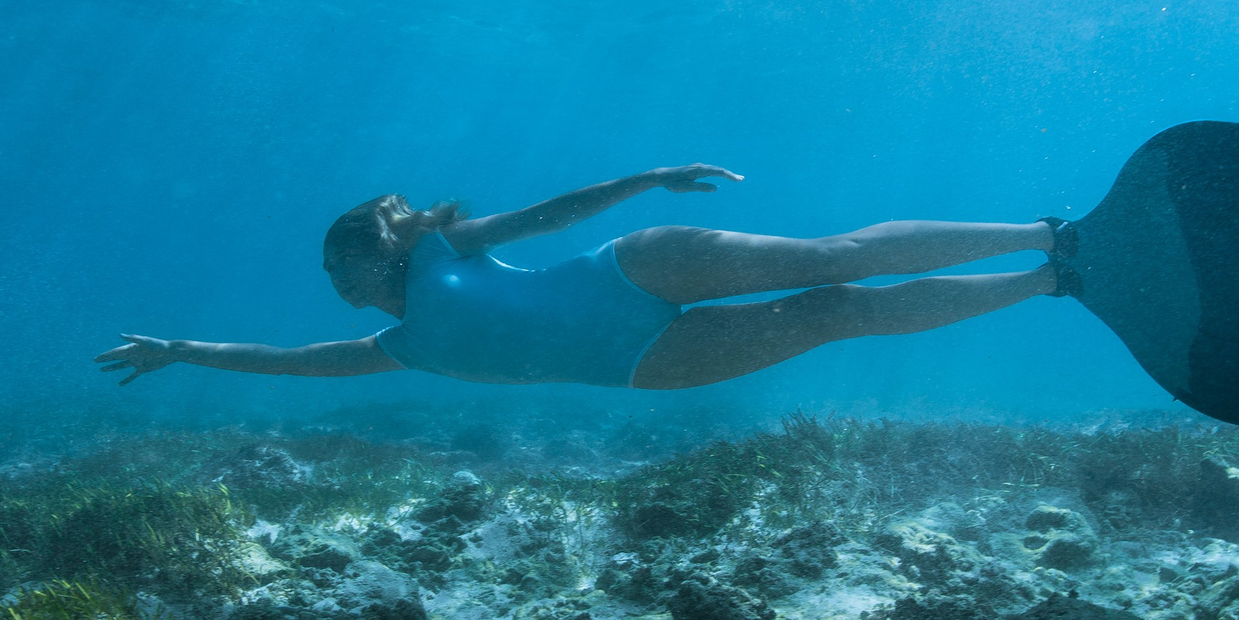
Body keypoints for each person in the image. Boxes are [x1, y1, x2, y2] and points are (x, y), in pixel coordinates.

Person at [95, 165, 1072, 392]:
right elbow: (292, 361)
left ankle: (1045, 233)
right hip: (643, 362)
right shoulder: (402, 346)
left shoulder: (439, 250)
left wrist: (644, 180)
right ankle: (1049, 283)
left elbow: (547, 217)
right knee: (837, 312)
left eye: (336, 263)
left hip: (630, 269)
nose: (332, 282)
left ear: (375, 248)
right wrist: (181, 349)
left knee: (833, 259)